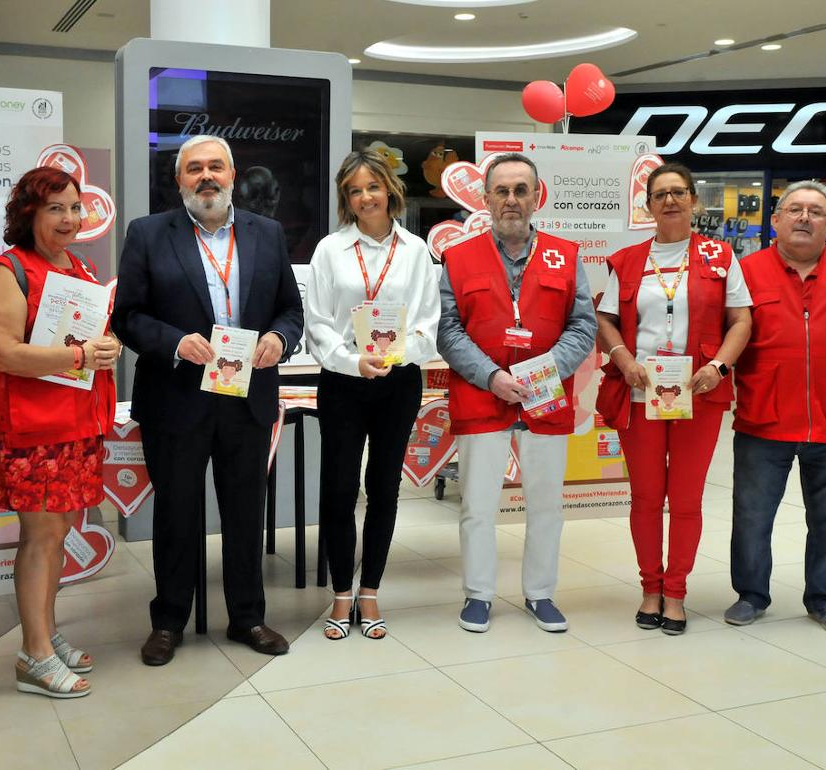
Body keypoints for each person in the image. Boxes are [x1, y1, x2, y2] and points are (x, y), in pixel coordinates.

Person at [113, 135, 304, 665]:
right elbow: (127, 316)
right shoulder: (149, 233)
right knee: (176, 513)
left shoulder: (266, 233)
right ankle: (169, 621)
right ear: (180, 180)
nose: (206, 176)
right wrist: (175, 342)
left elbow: (291, 310)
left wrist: (279, 338)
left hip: (247, 395)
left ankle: (248, 617)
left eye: (215, 167)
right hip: (176, 396)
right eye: (194, 168)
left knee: (245, 511)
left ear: (232, 174)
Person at [437, 152, 596, 634]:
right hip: (481, 395)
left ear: (536, 197)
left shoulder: (565, 255)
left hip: (544, 397)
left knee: (546, 505)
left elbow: (583, 325)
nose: (511, 199)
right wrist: (492, 377)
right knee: (477, 505)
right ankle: (478, 594)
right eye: (502, 191)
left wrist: (545, 371)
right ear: (485, 199)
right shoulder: (458, 257)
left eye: (520, 190)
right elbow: (448, 329)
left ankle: (540, 593)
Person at [724, 180, 826, 636]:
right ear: (776, 220)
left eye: (815, 211)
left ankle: (824, 598)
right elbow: (730, 330)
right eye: (794, 209)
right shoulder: (747, 271)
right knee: (752, 515)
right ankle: (751, 594)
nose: (804, 218)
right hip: (764, 417)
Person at [0, 166, 119, 697]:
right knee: (40, 537)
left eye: (75, 207)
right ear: (29, 213)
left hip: (76, 424)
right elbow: (6, 354)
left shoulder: (79, 268)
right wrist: (81, 355)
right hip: (31, 430)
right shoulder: (9, 270)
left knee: (57, 534)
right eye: (55, 208)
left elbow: (88, 338)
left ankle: (46, 634)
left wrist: (106, 347)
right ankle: (33, 656)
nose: (68, 218)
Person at [595, 163, 752, 635]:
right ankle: (650, 588)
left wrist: (718, 366)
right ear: (647, 206)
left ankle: (677, 592)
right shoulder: (627, 261)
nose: (669, 201)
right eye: (660, 194)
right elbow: (605, 321)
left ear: (693, 201)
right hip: (640, 393)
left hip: (697, 393)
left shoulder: (719, 256)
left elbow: (741, 321)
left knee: (685, 498)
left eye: (678, 192)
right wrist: (623, 359)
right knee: (646, 497)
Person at [305, 150, 440, 640]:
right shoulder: (330, 250)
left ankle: (371, 591)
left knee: (384, 488)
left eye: (373, 187)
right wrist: (351, 361)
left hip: (398, 382)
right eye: (354, 190)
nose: (365, 197)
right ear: (346, 198)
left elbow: (428, 320)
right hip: (344, 382)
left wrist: (398, 356)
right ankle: (342, 592)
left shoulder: (416, 250)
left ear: (390, 190)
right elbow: (318, 322)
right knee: (339, 488)